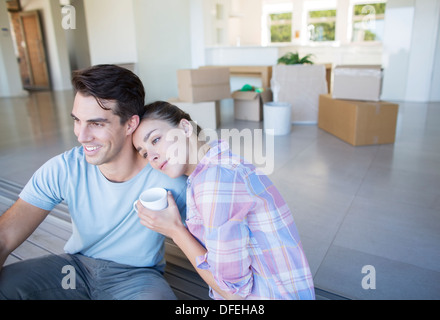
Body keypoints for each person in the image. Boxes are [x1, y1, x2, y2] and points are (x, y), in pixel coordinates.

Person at [0, 65, 187, 300]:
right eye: (78, 120)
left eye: (96, 124)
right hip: (72, 270)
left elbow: (219, 247)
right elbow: (5, 236)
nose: (81, 135)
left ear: (130, 124)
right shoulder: (64, 168)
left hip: (137, 278)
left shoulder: (169, 177)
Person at [132, 101, 315, 300]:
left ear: (185, 128)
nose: (152, 156)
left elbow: (235, 293)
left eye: (156, 140)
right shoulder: (220, 163)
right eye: (144, 153)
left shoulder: (213, 182)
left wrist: (175, 230)